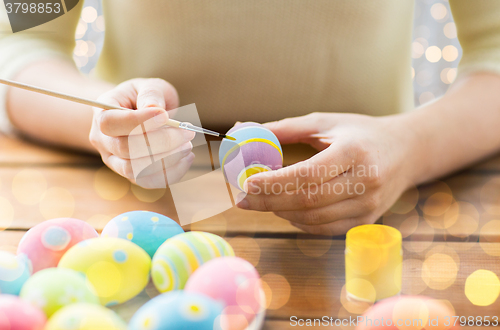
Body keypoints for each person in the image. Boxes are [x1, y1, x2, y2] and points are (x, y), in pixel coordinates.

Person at [1, 1, 500, 235]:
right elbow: (20, 38)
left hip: (372, 208)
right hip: (142, 213)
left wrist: (411, 145)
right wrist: (101, 115)